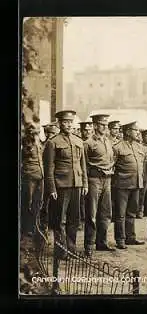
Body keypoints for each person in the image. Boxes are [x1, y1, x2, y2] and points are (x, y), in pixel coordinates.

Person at [43, 110, 88, 258]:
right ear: (59, 123)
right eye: (65, 122)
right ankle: (61, 251)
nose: (68, 125)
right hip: (61, 186)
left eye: (70, 122)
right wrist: (51, 188)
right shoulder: (53, 142)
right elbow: (49, 168)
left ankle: (71, 249)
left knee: (74, 219)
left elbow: (83, 166)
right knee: (59, 220)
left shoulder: (78, 141)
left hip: (77, 184)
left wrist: (85, 184)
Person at [83, 114, 115, 256]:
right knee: (92, 214)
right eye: (102, 124)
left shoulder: (107, 141)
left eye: (106, 124)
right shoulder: (88, 143)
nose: (104, 127)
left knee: (106, 213)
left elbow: (111, 159)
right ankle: (89, 245)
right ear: (95, 125)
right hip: (94, 180)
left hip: (107, 180)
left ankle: (101, 242)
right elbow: (83, 165)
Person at [112, 121, 146, 249]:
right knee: (120, 214)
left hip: (136, 184)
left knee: (132, 212)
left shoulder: (139, 147)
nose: (138, 132)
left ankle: (130, 237)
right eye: (135, 130)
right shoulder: (117, 147)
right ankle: (120, 239)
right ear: (127, 131)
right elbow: (112, 166)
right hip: (122, 185)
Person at [21, 125, 44, 239]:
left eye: (36, 133)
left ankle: (35, 227)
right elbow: (26, 154)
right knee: (28, 203)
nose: (36, 135)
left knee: (37, 202)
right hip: (29, 176)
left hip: (39, 175)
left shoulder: (39, 144)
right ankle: (27, 228)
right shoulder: (27, 144)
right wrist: (31, 143)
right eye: (34, 133)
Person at [137, 129, 147, 219]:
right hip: (143, 171)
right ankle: (139, 210)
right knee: (142, 192)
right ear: (143, 137)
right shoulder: (140, 147)